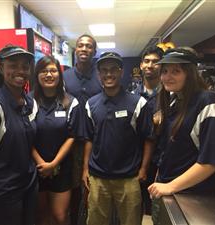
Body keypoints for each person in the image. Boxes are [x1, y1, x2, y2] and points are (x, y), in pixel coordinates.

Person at [147, 47, 215, 225]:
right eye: (165, 71)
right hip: (168, 191)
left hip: (192, 196)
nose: (168, 76)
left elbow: (212, 161)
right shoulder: (175, 101)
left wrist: (171, 186)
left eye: (176, 71)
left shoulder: (208, 102)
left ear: (190, 73)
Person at [82, 52, 153, 225]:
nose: (109, 74)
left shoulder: (138, 103)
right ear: (98, 75)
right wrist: (85, 169)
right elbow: (89, 139)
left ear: (121, 72)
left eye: (114, 69)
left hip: (129, 177)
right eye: (104, 70)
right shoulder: (91, 104)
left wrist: (143, 169)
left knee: (131, 221)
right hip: (98, 177)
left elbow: (149, 138)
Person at [0, 45, 38, 225]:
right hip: (5, 191)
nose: (20, 71)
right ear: (2, 69)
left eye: (25, 66)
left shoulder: (29, 102)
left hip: (29, 185)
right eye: (13, 65)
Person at [31, 56, 80, 225]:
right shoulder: (29, 102)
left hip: (62, 168)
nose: (49, 75)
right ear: (37, 75)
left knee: (60, 216)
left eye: (52, 70)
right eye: (44, 71)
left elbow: (72, 136)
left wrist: (53, 164)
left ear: (59, 74)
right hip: (35, 168)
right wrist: (41, 164)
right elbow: (25, 136)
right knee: (42, 216)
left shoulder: (70, 102)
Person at [63, 34, 102, 225]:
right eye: (80, 45)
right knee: (71, 187)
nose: (84, 49)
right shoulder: (65, 77)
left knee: (92, 187)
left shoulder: (101, 75)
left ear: (94, 51)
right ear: (75, 50)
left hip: (97, 141)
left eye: (89, 46)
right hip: (70, 141)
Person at [133, 46, 164, 217]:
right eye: (146, 61)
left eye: (155, 62)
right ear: (141, 65)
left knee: (158, 209)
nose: (150, 65)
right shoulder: (133, 95)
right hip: (137, 161)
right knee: (137, 205)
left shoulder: (170, 95)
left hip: (163, 162)